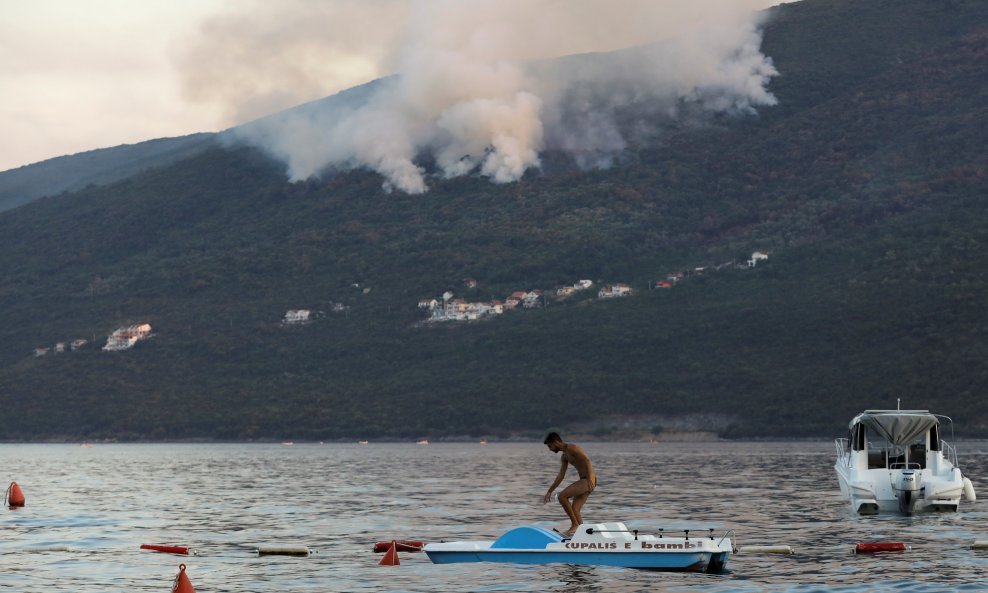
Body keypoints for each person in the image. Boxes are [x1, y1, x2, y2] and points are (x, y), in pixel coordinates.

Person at [542, 432, 596, 535]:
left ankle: (574, 525)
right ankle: (583, 533)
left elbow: (587, 460)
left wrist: (589, 478)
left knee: (562, 497)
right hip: (586, 480)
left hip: (588, 479)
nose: (550, 449)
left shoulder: (572, 448)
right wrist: (550, 491)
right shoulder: (564, 456)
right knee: (575, 510)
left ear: (556, 442)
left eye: (550, 446)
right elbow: (561, 476)